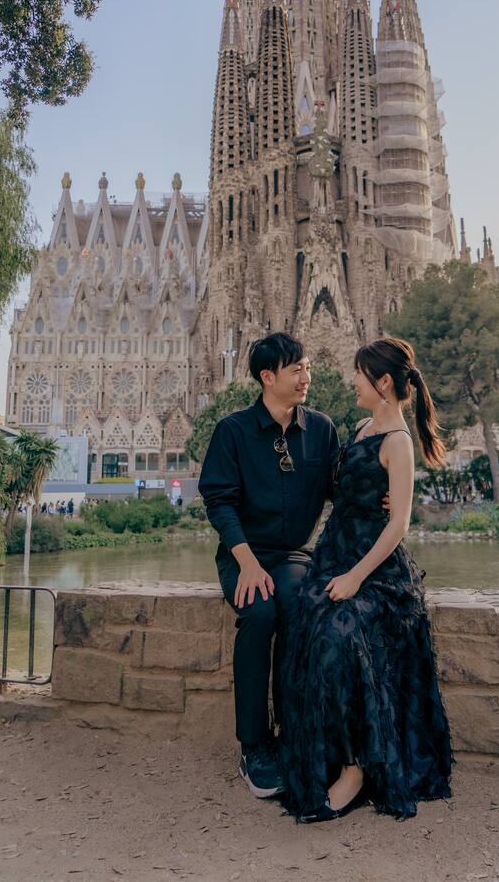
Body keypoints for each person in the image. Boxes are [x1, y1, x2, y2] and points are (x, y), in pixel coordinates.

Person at [279, 337, 452, 823]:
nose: (352, 380)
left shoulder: (398, 442)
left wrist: (356, 577)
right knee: (307, 627)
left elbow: (399, 525)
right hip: (335, 555)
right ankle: (325, 760)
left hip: (373, 570)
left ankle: (354, 771)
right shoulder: (360, 428)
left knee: (342, 639)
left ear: (383, 382)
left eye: (359, 373)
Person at [199, 333, 340, 799]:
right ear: (267, 376)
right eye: (296, 369)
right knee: (259, 614)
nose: (306, 377)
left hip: (293, 555)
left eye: (306, 367)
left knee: (298, 606)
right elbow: (219, 502)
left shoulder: (321, 429)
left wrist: (379, 494)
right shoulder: (233, 431)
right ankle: (254, 745)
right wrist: (247, 563)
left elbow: (340, 489)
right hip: (243, 554)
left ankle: (293, 732)